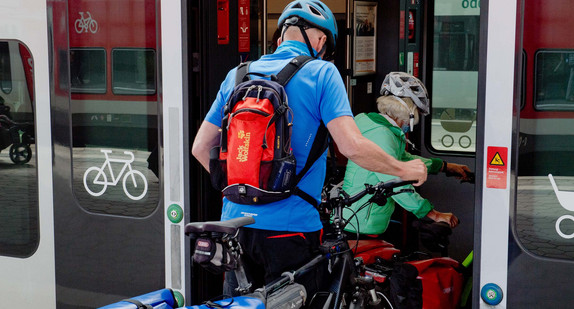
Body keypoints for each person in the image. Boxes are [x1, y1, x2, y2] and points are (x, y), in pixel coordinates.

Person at [191, 0, 428, 297]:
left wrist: (246, 187)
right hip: (290, 230)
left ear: (280, 39)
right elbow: (351, 146)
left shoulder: (237, 76)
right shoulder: (322, 74)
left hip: (234, 226)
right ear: (319, 40)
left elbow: (201, 147)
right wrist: (405, 169)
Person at [342, 72, 471, 237]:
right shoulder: (382, 135)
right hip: (360, 224)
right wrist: (433, 214)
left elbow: (403, 160)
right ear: (408, 112)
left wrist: (444, 167)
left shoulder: (376, 127)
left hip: (357, 218)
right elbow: (396, 181)